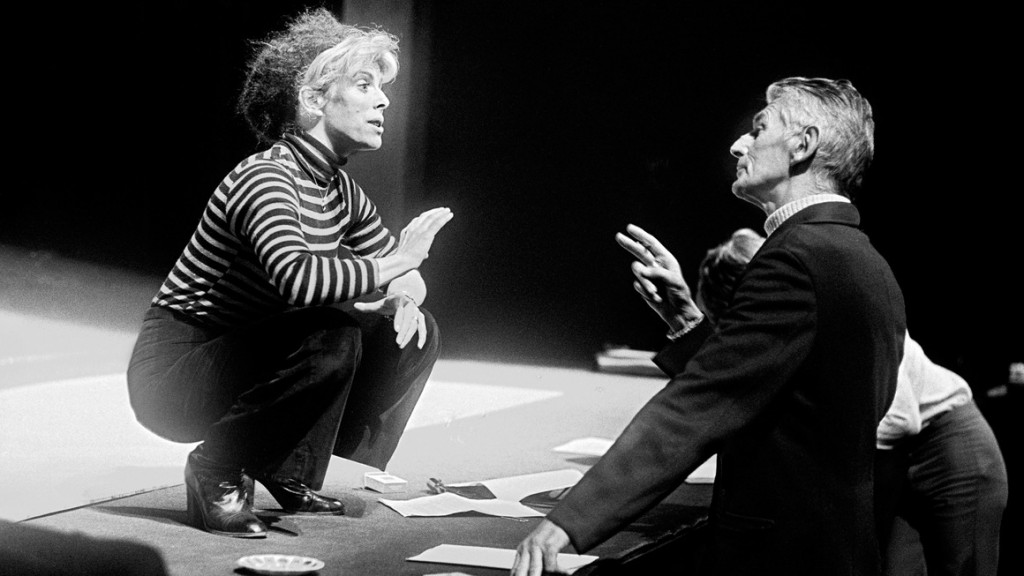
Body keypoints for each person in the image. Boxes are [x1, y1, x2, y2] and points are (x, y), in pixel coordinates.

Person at [512, 77, 906, 576]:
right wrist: (685, 320)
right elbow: (782, 404)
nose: (738, 145)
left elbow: (701, 403)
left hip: (782, 557)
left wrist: (568, 522)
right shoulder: (860, 256)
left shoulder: (796, 259)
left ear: (803, 145)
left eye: (758, 130)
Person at [126, 8, 453, 538]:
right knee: (331, 332)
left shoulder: (341, 191)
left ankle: (286, 467)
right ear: (313, 99)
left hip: (244, 355)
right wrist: (399, 261)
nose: (383, 100)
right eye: (364, 85)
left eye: (381, 87)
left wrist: (403, 296)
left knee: (413, 332)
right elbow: (297, 279)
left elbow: (406, 281)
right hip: (176, 373)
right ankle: (215, 466)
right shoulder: (266, 177)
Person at [697, 229, 1008, 576]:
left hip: (950, 449)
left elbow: (899, 417)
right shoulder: (790, 329)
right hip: (895, 462)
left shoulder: (841, 308)